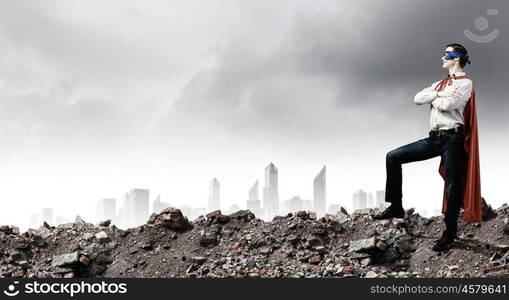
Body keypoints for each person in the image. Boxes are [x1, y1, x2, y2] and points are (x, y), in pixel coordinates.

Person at [372, 43, 482, 252]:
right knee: (393, 157)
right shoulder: (439, 84)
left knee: (452, 187)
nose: (442, 58)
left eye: (446, 55)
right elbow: (417, 99)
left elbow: (448, 106)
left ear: (456, 58)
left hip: (453, 139)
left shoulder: (466, 83)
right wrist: (440, 94)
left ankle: (449, 234)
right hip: (434, 138)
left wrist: (435, 96)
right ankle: (395, 206)